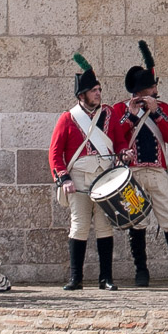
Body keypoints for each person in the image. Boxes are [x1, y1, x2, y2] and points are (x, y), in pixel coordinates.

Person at [110, 40, 168, 287]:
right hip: (133, 172)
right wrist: (132, 115)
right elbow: (117, 137)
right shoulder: (121, 109)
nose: (155, 90)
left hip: (157, 171)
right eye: (151, 88)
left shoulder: (163, 108)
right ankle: (141, 272)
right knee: (137, 222)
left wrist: (156, 112)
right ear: (141, 91)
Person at [48, 53, 119, 291]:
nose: (98, 93)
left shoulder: (109, 114)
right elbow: (55, 154)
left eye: (99, 89)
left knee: (104, 226)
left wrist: (124, 155)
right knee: (78, 226)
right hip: (78, 179)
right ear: (82, 95)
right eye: (93, 90)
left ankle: (105, 278)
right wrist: (63, 179)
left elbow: (118, 144)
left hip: (105, 177)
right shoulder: (67, 119)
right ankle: (75, 278)